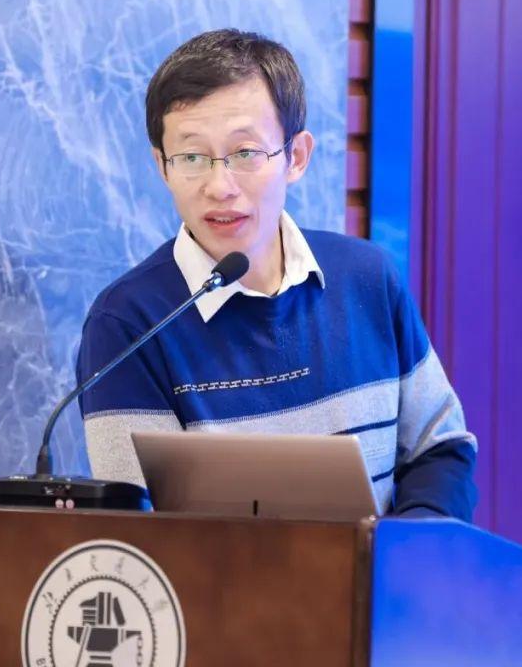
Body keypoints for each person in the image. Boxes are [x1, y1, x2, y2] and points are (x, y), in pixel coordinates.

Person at [76, 29, 477, 520]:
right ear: (162, 166)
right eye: (192, 157)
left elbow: (441, 448)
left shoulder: (366, 278)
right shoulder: (128, 325)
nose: (219, 186)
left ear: (296, 157)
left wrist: (402, 552)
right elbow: (140, 530)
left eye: (245, 153)